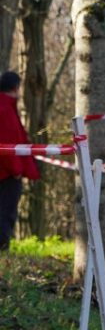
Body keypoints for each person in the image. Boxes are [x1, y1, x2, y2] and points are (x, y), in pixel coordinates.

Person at [0, 71, 40, 251]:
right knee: (5, 213)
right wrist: (16, 170)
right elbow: (8, 143)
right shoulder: (5, 109)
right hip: (6, 173)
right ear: (16, 87)